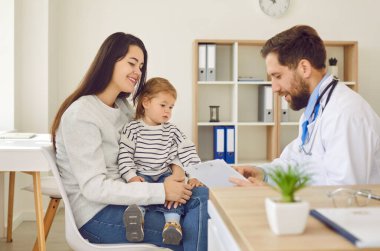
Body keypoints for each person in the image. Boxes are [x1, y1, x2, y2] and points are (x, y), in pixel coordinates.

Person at [51, 32, 208, 250]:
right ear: (109, 61)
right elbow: (94, 188)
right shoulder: (81, 115)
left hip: (130, 201)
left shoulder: (123, 108)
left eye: (141, 66)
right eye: (132, 63)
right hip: (98, 214)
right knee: (196, 229)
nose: (138, 72)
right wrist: (162, 191)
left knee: (201, 195)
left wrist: (179, 172)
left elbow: (153, 147)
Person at [230, 25, 380, 186]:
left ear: (304, 68)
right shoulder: (313, 113)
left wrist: (270, 195)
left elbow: (343, 197)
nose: (274, 88)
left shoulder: (345, 114)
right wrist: (264, 173)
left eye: (277, 76)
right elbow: (296, 164)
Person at [118, 77, 202, 245]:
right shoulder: (132, 128)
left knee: (177, 196)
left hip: (165, 174)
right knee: (139, 192)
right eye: (163, 105)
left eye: (171, 107)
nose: (167, 111)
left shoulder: (172, 130)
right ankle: (136, 219)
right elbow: (124, 155)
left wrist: (194, 174)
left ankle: (172, 224)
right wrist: (131, 176)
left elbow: (187, 151)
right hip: (142, 175)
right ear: (146, 102)